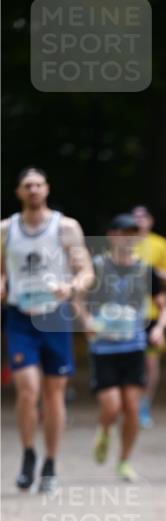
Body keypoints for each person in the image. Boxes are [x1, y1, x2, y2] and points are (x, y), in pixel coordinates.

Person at [0, 167, 93, 493]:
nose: (34, 190)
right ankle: (28, 454)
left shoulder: (66, 228)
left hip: (55, 317)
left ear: (47, 189)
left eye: (39, 184)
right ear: (19, 192)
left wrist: (72, 286)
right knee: (27, 389)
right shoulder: (6, 230)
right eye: (28, 185)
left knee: (54, 392)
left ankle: (50, 463)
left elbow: (86, 272)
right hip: (21, 316)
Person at [79, 214, 166, 481]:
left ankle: (124, 461)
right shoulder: (96, 267)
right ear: (111, 235)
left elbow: (165, 308)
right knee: (111, 406)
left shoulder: (146, 270)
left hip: (134, 346)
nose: (129, 238)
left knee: (131, 407)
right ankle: (105, 430)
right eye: (123, 232)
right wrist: (86, 321)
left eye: (134, 233)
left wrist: (158, 328)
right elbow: (78, 299)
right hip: (104, 348)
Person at [131, 205, 166, 426]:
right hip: (125, 316)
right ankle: (129, 404)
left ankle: (144, 405)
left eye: (144, 216)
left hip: (152, 313)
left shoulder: (160, 244)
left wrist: (153, 272)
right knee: (130, 361)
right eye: (135, 217)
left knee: (150, 362)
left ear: (151, 221)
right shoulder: (121, 243)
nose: (140, 221)